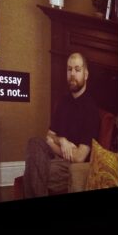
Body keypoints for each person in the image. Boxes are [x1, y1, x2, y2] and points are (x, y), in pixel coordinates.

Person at [23, 52, 99, 198]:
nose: (72, 74)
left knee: (34, 169)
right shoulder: (63, 102)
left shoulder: (91, 110)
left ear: (86, 74)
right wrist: (62, 141)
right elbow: (48, 137)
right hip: (57, 156)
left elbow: (79, 157)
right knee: (34, 142)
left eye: (77, 70)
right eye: (69, 69)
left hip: (73, 167)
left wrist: (53, 142)